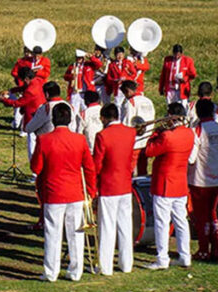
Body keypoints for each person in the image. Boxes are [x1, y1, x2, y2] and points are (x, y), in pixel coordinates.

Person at [31, 103, 97, 282]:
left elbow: (36, 167)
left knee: (53, 233)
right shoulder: (79, 140)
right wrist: (91, 190)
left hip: (53, 193)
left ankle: (51, 272)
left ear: (53, 118)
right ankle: (76, 271)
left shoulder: (44, 140)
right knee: (76, 234)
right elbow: (89, 168)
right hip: (75, 192)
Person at [144, 103, 197, 269]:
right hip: (180, 183)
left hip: (164, 183)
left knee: (162, 222)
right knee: (181, 221)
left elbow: (149, 151)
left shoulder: (167, 136)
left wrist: (155, 133)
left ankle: (162, 258)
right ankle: (185, 256)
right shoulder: (189, 133)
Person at [92, 103, 135, 276]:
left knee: (107, 227)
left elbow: (97, 164)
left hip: (109, 185)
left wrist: (93, 184)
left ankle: (105, 266)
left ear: (103, 118)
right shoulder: (130, 132)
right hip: (125, 184)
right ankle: (127, 264)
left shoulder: (102, 135)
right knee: (125, 225)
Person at [189, 99, 218, 262]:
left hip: (200, 179)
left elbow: (191, 158)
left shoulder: (197, 130)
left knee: (201, 217)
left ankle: (204, 249)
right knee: (212, 214)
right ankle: (216, 249)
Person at [0, 67, 45, 141]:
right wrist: (10, 91)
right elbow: (24, 87)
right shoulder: (37, 81)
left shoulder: (30, 91)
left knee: (32, 140)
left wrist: (4, 100)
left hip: (33, 115)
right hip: (41, 111)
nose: (23, 82)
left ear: (26, 78)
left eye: (23, 80)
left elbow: (18, 103)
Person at [120, 80, 156, 175]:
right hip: (147, 138)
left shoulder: (130, 102)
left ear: (127, 91)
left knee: (130, 168)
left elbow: (127, 122)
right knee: (143, 167)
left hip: (135, 141)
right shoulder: (148, 100)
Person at [64, 49, 96, 113]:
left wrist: (91, 57)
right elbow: (65, 77)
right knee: (74, 111)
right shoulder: (72, 66)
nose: (79, 59)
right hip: (75, 92)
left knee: (87, 111)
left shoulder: (88, 65)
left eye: (80, 58)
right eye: (77, 58)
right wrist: (71, 76)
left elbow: (98, 64)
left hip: (85, 92)